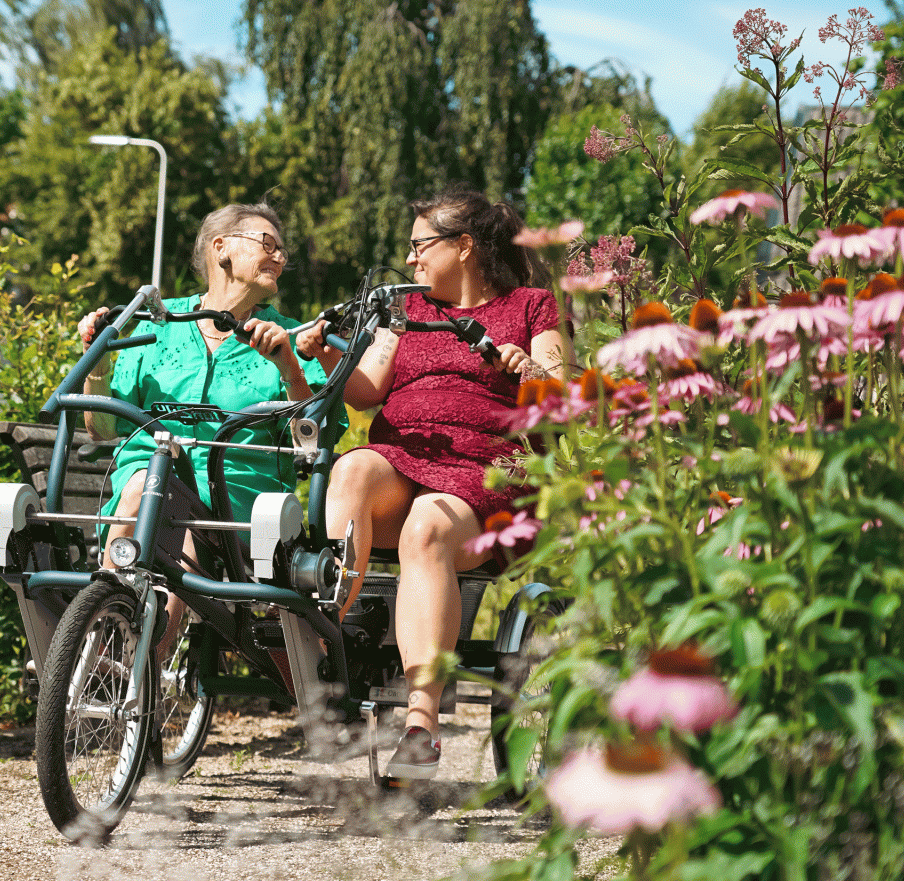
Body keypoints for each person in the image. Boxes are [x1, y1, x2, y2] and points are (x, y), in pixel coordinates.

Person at [296, 187, 569, 779]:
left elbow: (561, 392)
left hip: (488, 472)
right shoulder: (409, 312)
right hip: (405, 458)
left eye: (422, 245)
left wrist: (527, 370)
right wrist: (322, 358)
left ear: (464, 246)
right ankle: (328, 646)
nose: (413, 258)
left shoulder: (530, 306)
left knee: (427, 526)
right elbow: (366, 390)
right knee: (352, 467)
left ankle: (422, 725)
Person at [77, 203, 331, 650]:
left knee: (184, 544)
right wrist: (97, 359)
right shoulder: (158, 323)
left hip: (235, 509)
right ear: (221, 248)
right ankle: (104, 633)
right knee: (146, 488)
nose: (279, 258)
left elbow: (311, 441)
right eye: (267, 244)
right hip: (149, 490)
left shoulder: (290, 336)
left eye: (282, 251)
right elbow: (101, 429)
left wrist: (290, 368)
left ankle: (106, 659)